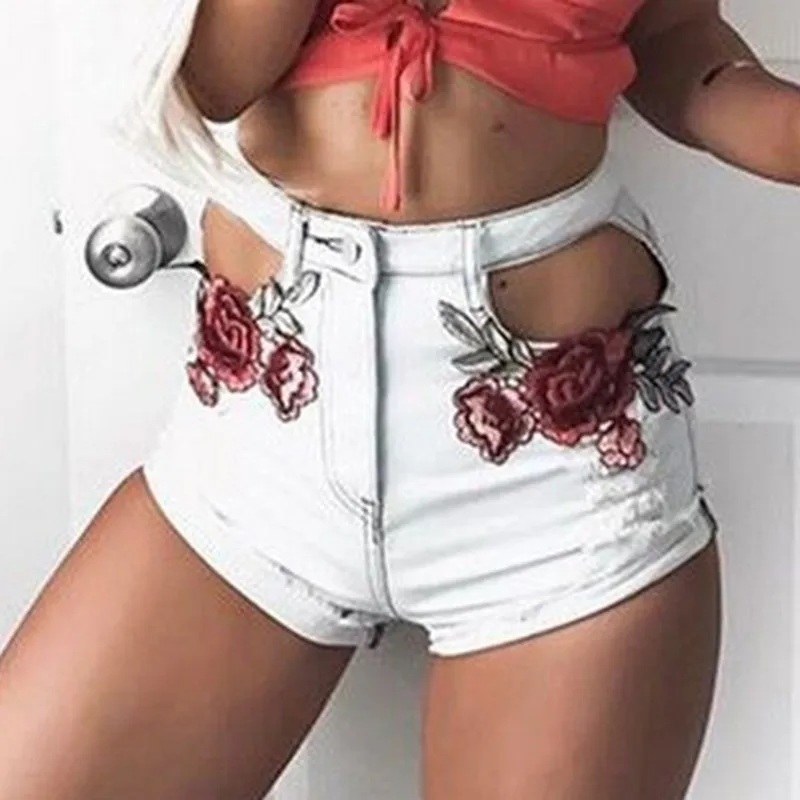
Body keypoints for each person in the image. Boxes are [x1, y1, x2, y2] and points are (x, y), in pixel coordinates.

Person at [1, 1, 799, 798]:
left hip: (554, 476)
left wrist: (771, 117)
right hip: (260, 447)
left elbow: (673, 38)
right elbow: (216, 79)